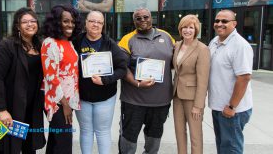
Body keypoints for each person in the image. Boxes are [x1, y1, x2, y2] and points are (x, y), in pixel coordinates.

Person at [0, 7, 45, 153]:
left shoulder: (40, 45)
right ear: (17, 26)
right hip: (6, 104)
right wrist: (1, 110)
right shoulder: (6, 46)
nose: (30, 24)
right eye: (25, 22)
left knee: (28, 145)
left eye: (33, 21)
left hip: (29, 106)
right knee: (4, 148)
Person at [118, 8, 175, 154]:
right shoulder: (127, 39)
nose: (143, 20)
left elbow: (176, 61)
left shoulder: (167, 36)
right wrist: (137, 83)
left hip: (161, 102)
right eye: (138, 18)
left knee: (154, 140)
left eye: (146, 17)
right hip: (133, 101)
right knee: (128, 140)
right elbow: (122, 67)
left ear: (151, 18)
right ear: (134, 21)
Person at [73, 11, 127, 154]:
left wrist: (105, 80)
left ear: (103, 25)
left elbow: (122, 69)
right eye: (92, 21)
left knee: (102, 131)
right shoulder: (76, 41)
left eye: (99, 22)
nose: (95, 24)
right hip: (82, 97)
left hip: (105, 97)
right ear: (86, 22)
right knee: (85, 131)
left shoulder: (110, 44)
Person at [208, 9, 253, 154]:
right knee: (223, 146)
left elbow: (244, 77)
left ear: (234, 24)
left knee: (231, 149)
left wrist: (232, 107)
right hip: (218, 106)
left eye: (224, 21)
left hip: (232, 110)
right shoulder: (214, 42)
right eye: (217, 20)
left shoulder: (240, 45)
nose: (219, 24)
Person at [41, 5, 81, 154]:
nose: (70, 25)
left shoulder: (69, 42)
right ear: (57, 22)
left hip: (67, 99)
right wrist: (65, 104)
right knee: (64, 142)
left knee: (56, 139)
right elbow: (51, 77)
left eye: (72, 21)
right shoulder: (50, 43)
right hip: (56, 100)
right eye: (65, 21)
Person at [172, 14, 210, 154]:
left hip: (193, 99)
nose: (187, 30)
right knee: (179, 133)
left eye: (191, 27)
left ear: (196, 30)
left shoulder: (202, 49)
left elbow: (203, 80)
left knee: (195, 135)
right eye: (184, 27)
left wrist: (198, 106)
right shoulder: (177, 45)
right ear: (180, 29)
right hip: (177, 96)